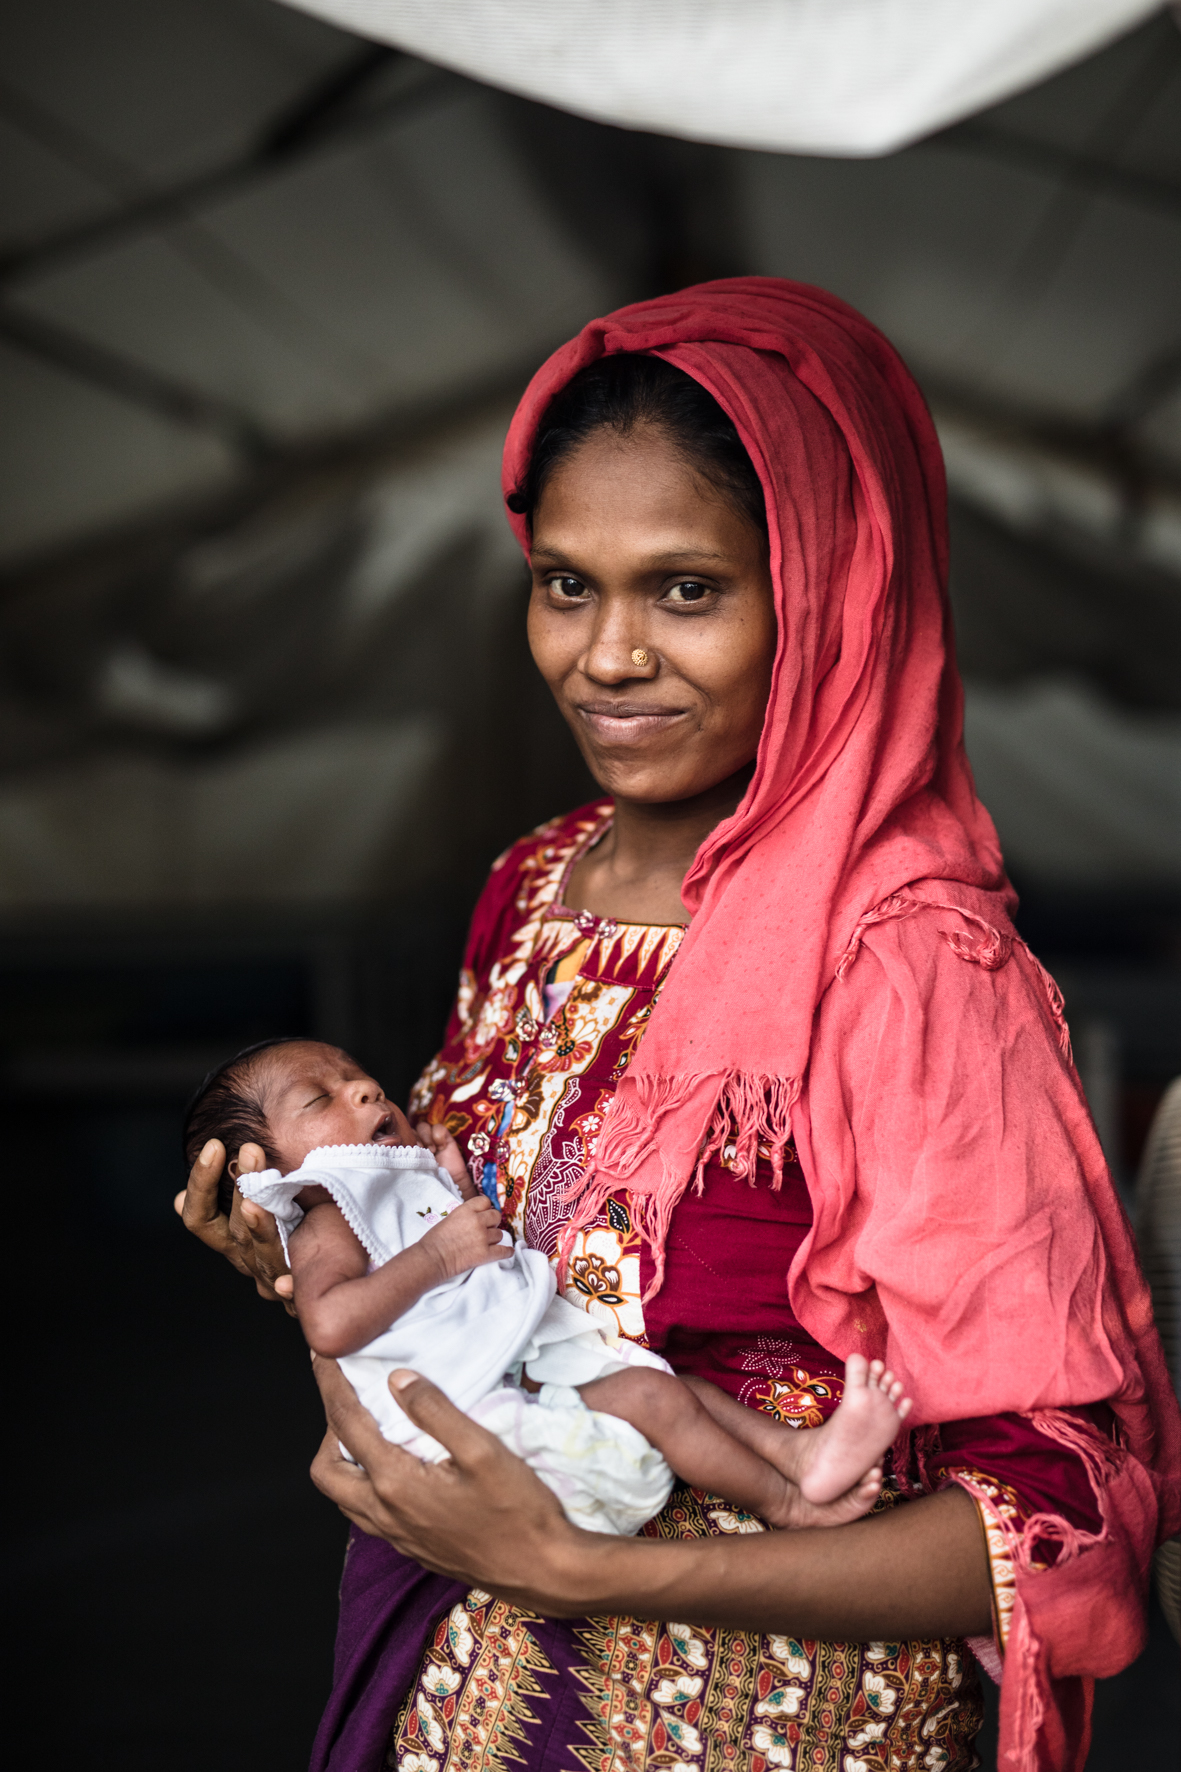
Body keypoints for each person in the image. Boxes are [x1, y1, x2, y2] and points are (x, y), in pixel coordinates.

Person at [177, 281, 1180, 1772]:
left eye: (687, 589)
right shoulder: (530, 884)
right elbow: (492, 1272)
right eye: (567, 584)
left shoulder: (904, 959)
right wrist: (313, 1238)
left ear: (826, 595)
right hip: (460, 1706)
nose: (607, 656)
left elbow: (1058, 1524)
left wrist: (595, 1573)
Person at [183, 1036, 911, 1536]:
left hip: (518, 1369)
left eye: (356, 1076)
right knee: (659, 1398)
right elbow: (332, 1326)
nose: (364, 1087)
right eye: (319, 1099)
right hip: (479, 1408)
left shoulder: (386, 1191)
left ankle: (798, 1456)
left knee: (673, 1389)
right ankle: (786, 1500)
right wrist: (440, 1254)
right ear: (265, 1170)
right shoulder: (324, 1219)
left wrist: (453, 1189)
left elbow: (468, 1242)